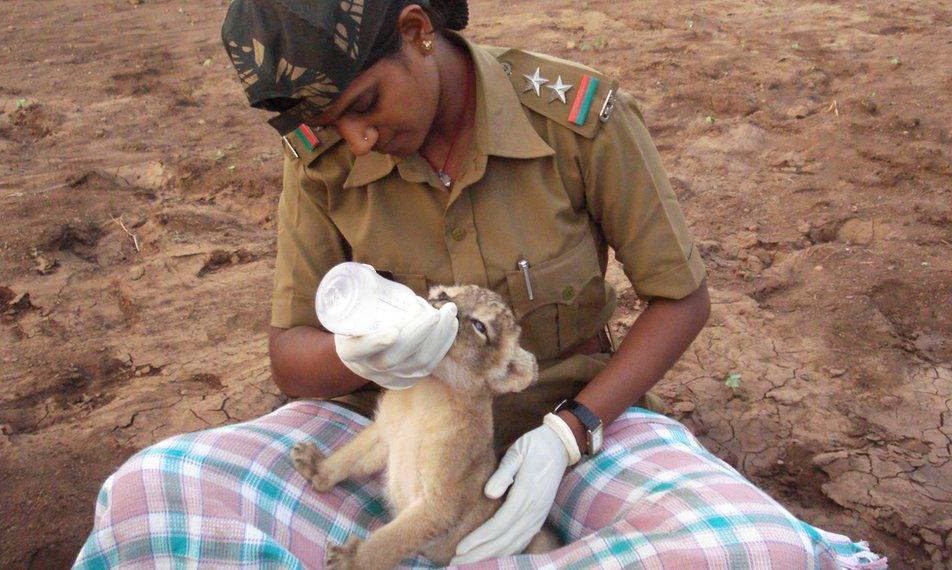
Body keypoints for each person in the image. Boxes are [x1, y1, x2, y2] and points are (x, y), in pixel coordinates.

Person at [73, 1, 886, 568]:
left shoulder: (575, 120)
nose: (357, 139)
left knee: (753, 548)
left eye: (364, 104)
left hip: (572, 440)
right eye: (333, 124)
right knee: (152, 493)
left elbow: (682, 297)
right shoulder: (326, 159)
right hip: (391, 444)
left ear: (417, 32)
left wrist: (573, 429)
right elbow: (292, 360)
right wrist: (372, 353)